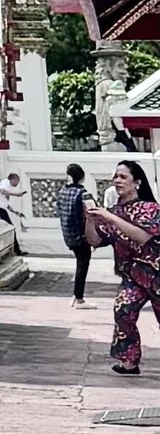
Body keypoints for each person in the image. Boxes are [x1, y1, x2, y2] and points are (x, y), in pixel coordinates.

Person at [84, 158, 158, 378]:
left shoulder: (150, 209)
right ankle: (129, 361)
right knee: (123, 310)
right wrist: (90, 220)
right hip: (133, 276)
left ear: (137, 183)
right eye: (115, 176)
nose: (117, 181)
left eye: (123, 177)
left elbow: (143, 237)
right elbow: (96, 241)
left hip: (156, 274)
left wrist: (109, 217)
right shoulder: (114, 211)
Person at [58, 163, 92, 305]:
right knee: (83, 263)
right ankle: (78, 297)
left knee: (80, 261)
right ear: (82, 177)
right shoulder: (83, 193)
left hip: (68, 234)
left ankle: (77, 295)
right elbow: (92, 211)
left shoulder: (61, 192)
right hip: (81, 235)